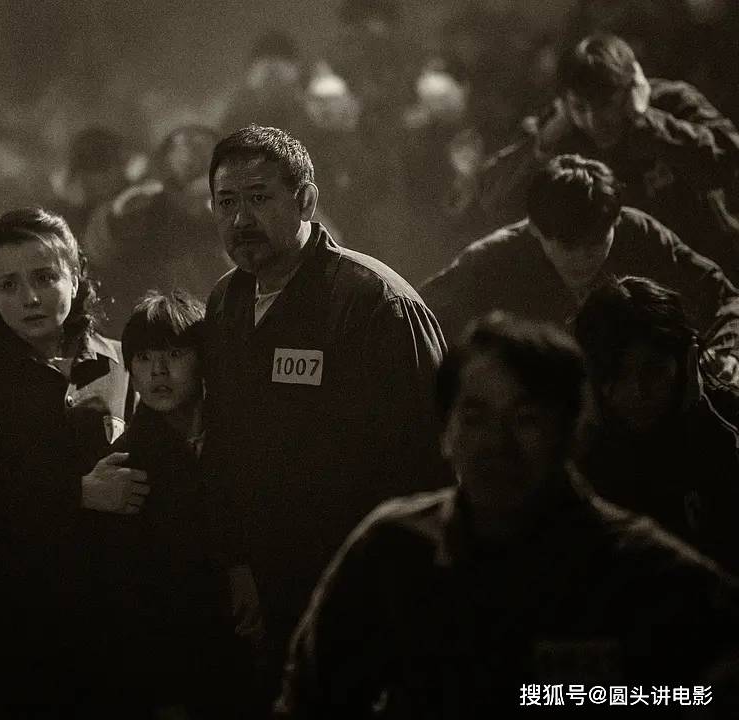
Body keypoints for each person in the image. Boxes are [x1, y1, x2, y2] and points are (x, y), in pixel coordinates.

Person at [278, 312, 739, 719]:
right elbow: (311, 702)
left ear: (571, 433)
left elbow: (705, 694)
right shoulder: (393, 551)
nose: (496, 445)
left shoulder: (643, 574)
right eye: (474, 418)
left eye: (526, 419)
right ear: (445, 433)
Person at [201, 125, 450, 700]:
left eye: (259, 198)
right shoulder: (225, 302)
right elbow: (223, 443)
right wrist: (236, 563)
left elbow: (430, 458)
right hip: (267, 587)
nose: (240, 219)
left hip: (365, 582)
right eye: (226, 202)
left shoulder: (374, 302)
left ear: (307, 200)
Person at [0, 207, 145, 718]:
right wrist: (79, 493)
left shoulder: (120, 361)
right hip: (14, 628)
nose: (29, 298)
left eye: (45, 277)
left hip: (113, 621)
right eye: (8, 284)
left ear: (76, 275)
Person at [423, 154, 739, 373]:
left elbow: (725, 299)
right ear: (534, 229)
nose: (582, 258)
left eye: (596, 244)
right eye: (566, 246)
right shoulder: (491, 260)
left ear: (616, 222)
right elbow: (422, 320)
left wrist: (725, 354)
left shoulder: (640, 233)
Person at [84, 289, 241, 718]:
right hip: (170, 666)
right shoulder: (124, 463)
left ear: (202, 358)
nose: (158, 371)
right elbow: (126, 595)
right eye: (143, 358)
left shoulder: (240, 434)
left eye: (174, 354)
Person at [476, 33, 739, 279]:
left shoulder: (672, 102)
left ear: (631, 89)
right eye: (580, 107)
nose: (594, 121)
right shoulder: (559, 130)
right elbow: (493, 201)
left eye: (605, 104)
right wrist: (543, 145)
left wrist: (646, 120)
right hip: (628, 287)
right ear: (565, 102)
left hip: (715, 269)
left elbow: (729, 162)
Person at [574, 275, 739, 573]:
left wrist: (703, 421)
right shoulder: (571, 445)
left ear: (685, 361)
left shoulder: (726, 415)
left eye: (654, 370)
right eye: (618, 374)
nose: (638, 391)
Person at [84, 125, 231, 336]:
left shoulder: (228, 208)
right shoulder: (144, 204)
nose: (195, 155)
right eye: (187, 145)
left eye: (205, 147)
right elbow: (100, 246)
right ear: (167, 158)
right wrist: (116, 216)